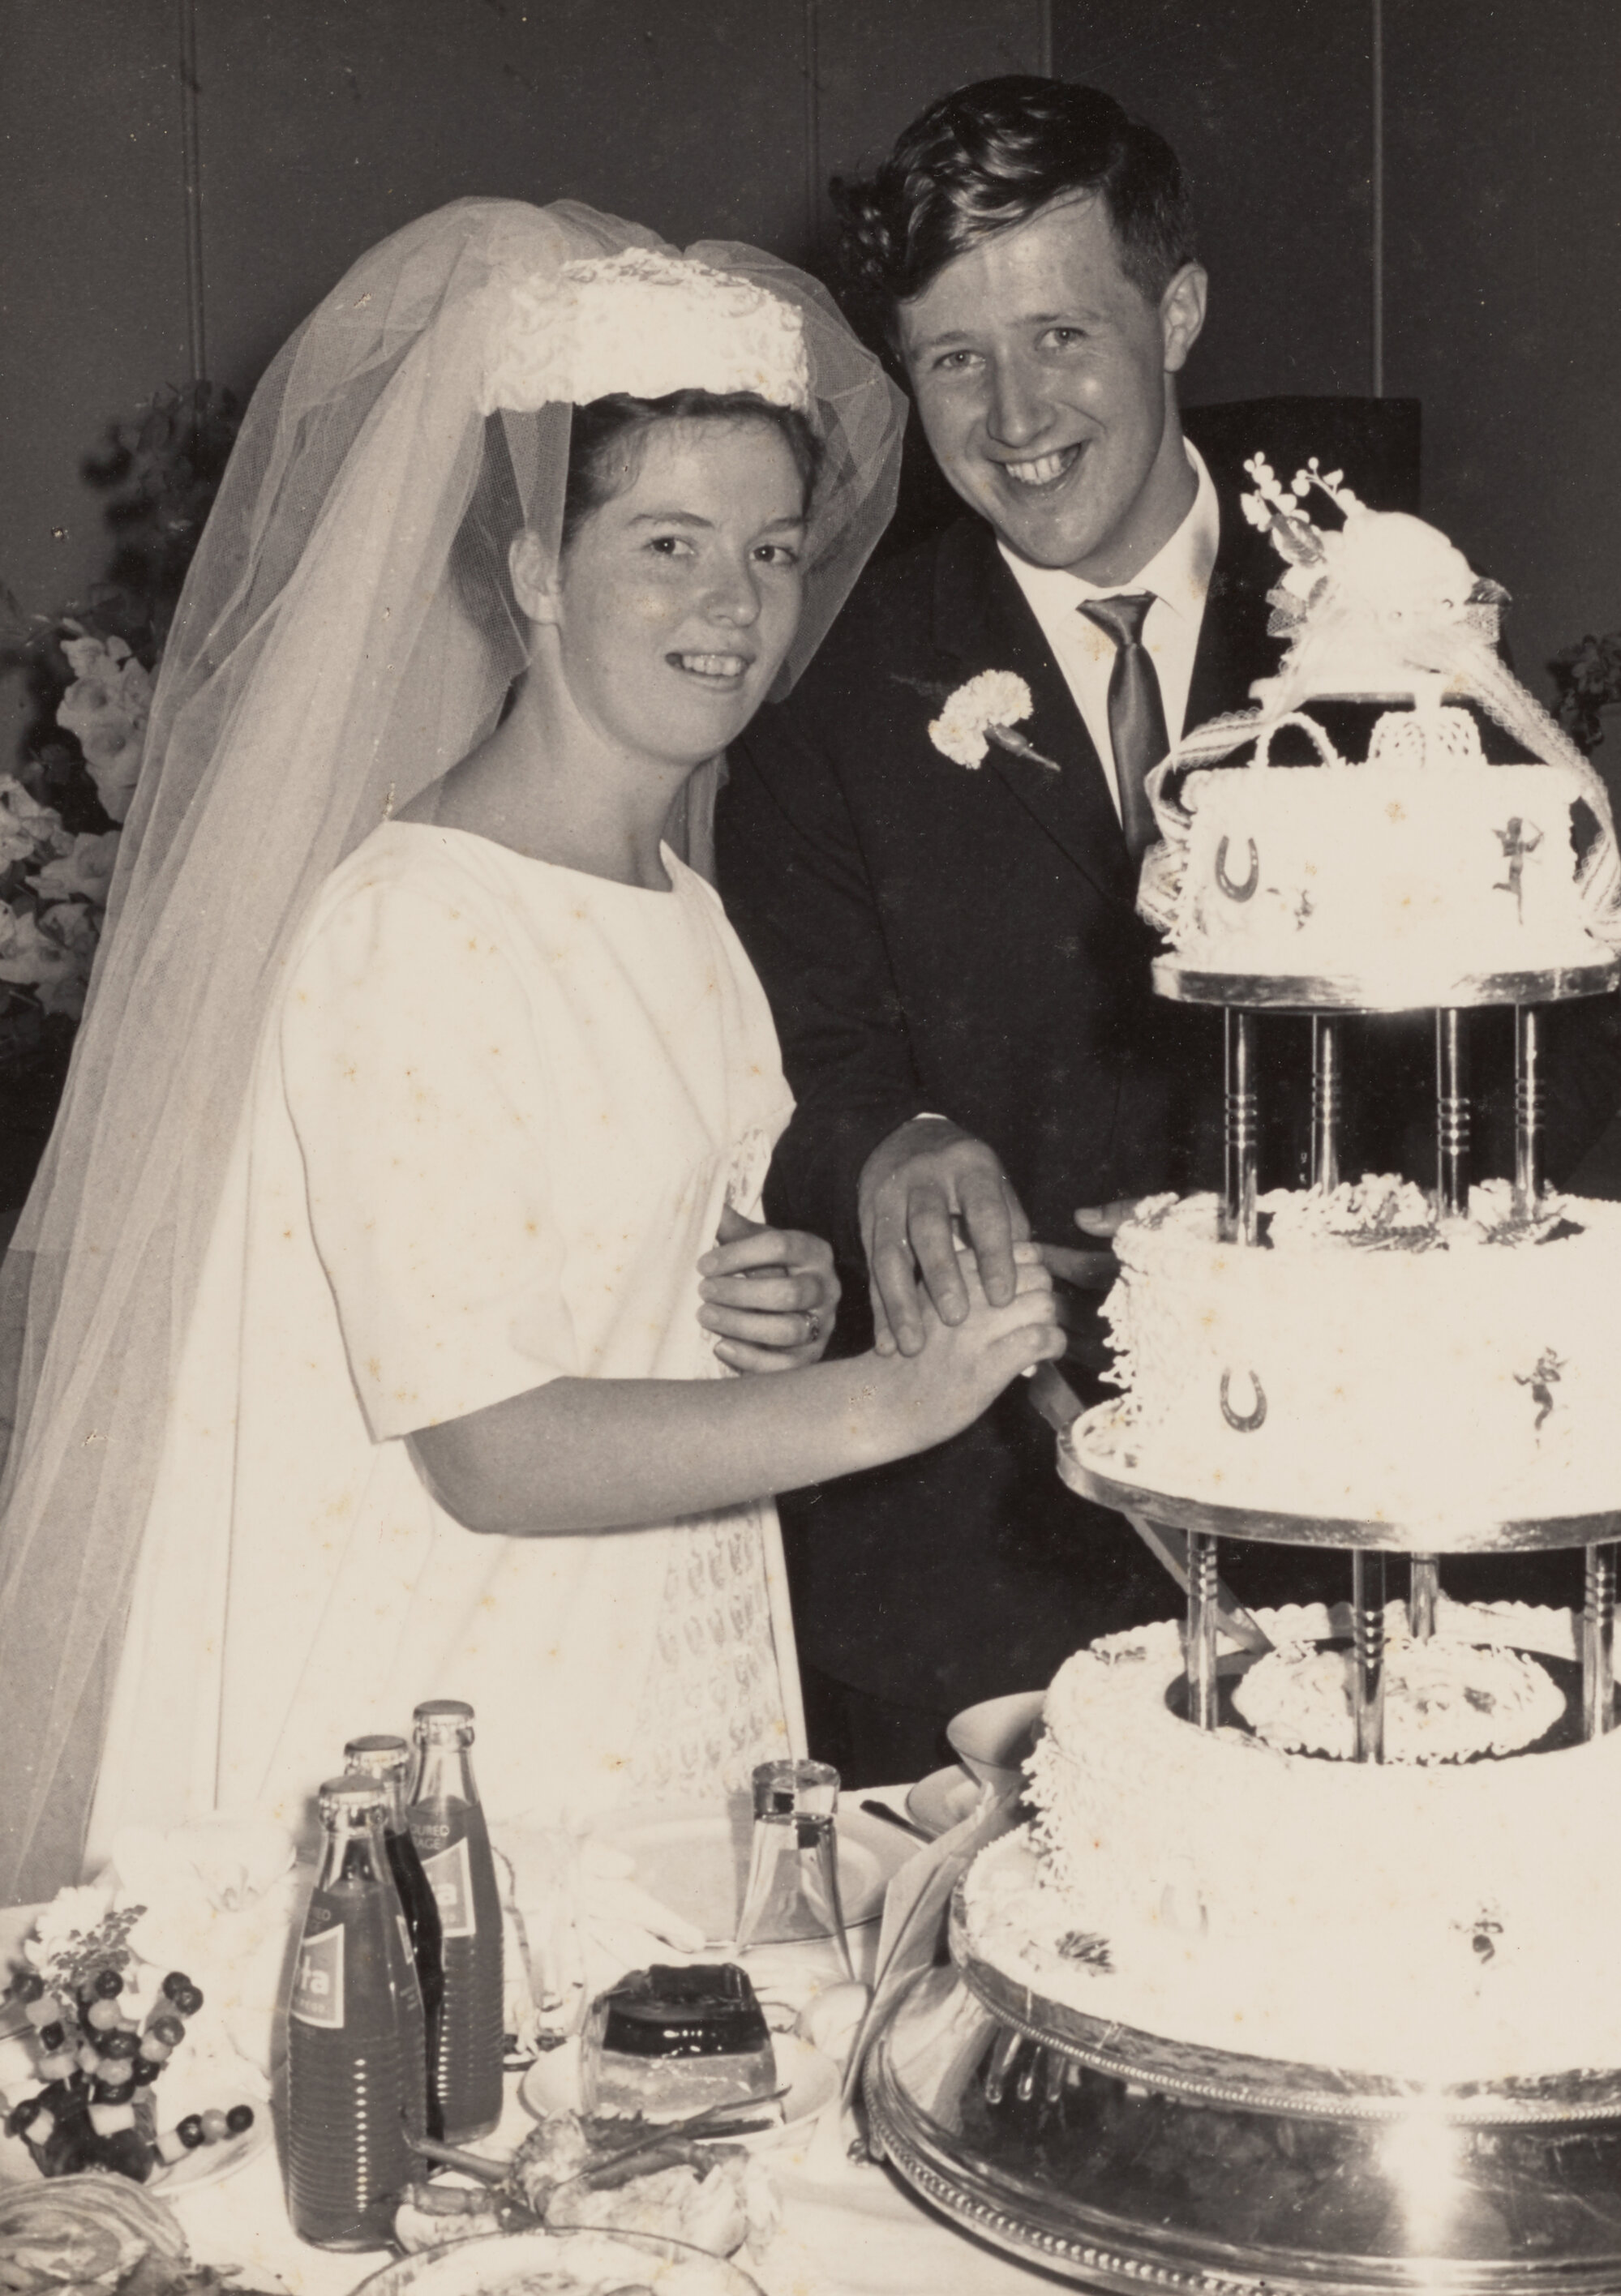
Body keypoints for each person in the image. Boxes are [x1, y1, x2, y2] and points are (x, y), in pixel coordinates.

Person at [0, 199, 1063, 1900]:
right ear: (528, 571)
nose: (733, 603)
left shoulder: (683, 913)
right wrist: (890, 1399)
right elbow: (489, 1448)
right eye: (666, 542)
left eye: (774, 548)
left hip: (654, 1666)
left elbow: (608, 1262)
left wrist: (753, 1289)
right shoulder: (416, 923)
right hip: (455, 1700)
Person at [713, 78, 1343, 1780]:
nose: (1012, 416)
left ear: (1181, 310)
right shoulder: (827, 678)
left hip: (1351, 1546)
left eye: (1060, 334)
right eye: (952, 359)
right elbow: (795, 1066)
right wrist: (887, 1146)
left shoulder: (1388, 618)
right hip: (960, 1580)